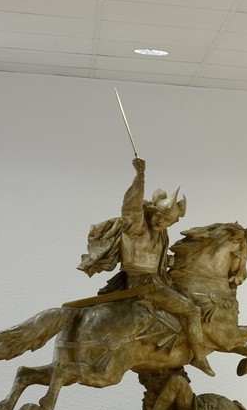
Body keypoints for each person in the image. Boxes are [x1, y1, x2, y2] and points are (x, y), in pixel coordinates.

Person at [79, 157, 214, 375]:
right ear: (152, 211)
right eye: (160, 217)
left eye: (167, 221)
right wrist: (139, 177)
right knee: (192, 310)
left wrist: (169, 262)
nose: (162, 222)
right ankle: (198, 356)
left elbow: (152, 258)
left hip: (157, 281)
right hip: (145, 285)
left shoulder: (161, 234)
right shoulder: (137, 228)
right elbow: (130, 208)